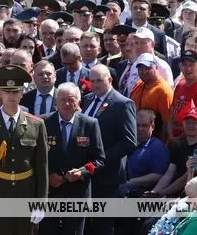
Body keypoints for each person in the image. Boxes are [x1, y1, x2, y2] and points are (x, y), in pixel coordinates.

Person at [0, 64, 48, 235]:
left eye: (15, 91)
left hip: (26, 195)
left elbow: (42, 167)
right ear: (0, 92)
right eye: (7, 91)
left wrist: (41, 203)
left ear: (22, 93)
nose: (11, 96)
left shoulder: (36, 125)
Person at [40, 82, 104, 235]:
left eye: (71, 99)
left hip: (77, 194)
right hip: (51, 194)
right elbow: (35, 157)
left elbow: (99, 160)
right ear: (56, 101)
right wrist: (48, 177)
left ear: (78, 102)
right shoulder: (43, 122)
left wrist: (82, 172)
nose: (67, 103)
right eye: (62, 100)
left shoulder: (90, 124)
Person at [82, 64, 136, 235]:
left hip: (108, 176)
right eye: (92, 81)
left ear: (110, 80)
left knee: (102, 226)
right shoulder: (87, 99)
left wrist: (101, 160)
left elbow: (129, 141)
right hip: (85, 173)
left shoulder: (122, 104)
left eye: (99, 81)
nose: (95, 85)